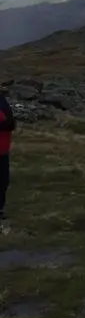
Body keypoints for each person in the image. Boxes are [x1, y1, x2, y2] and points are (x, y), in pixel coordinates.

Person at [0, 88, 14, 233]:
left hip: (3, 149)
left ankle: (0, 209)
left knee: (3, 181)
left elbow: (11, 123)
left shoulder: (2, 100)